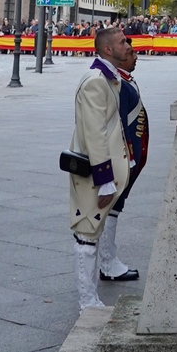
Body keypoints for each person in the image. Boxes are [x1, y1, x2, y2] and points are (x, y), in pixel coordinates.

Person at [68, 21, 132, 310]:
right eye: (122, 42)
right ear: (108, 49)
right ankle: (87, 301)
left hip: (99, 171)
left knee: (91, 231)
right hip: (94, 174)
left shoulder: (108, 78)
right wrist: (104, 178)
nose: (127, 46)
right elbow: (94, 134)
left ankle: (91, 297)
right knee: (86, 234)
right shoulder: (96, 81)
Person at [100, 38, 149, 283]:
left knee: (116, 207)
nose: (135, 57)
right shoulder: (115, 82)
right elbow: (119, 121)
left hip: (130, 156)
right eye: (131, 53)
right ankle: (108, 263)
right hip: (123, 156)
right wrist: (128, 155)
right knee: (113, 207)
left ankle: (108, 260)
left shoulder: (123, 79)